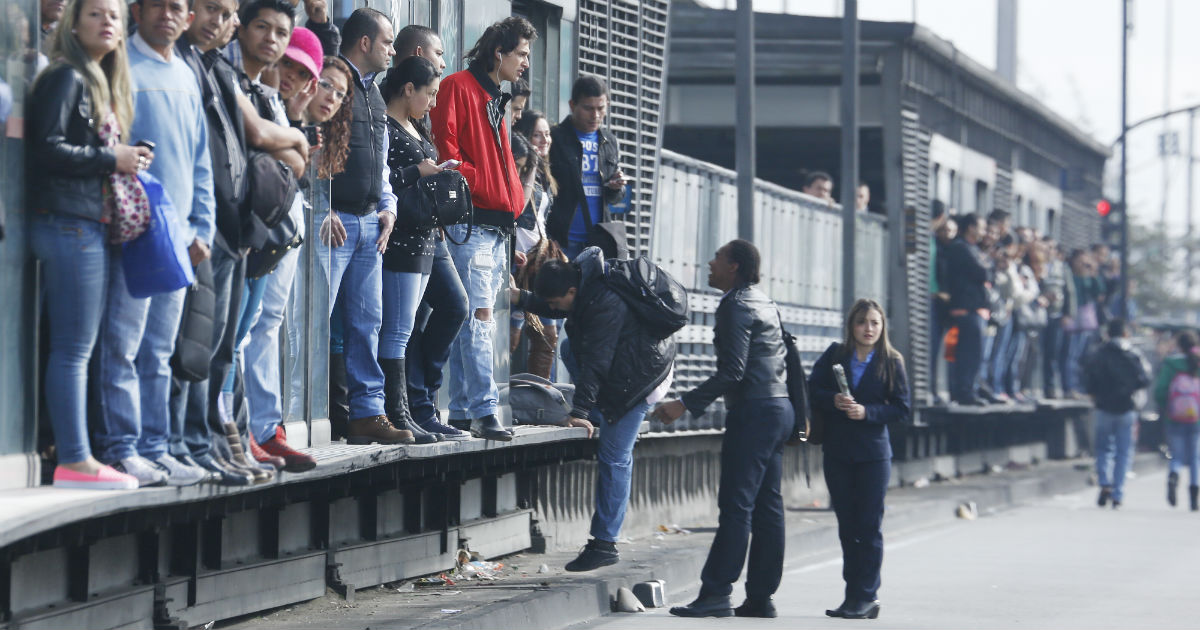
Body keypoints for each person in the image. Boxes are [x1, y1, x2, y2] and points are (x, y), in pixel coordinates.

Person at [27, 0, 148, 489]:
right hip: (70, 222)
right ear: (73, 24)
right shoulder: (67, 76)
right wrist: (110, 158)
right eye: (95, 14)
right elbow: (46, 148)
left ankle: (73, 455)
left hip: (83, 222)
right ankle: (75, 460)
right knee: (74, 349)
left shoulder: (95, 80)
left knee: (75, 348)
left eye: (113, 15)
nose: (107, 22)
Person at [94, 0, 215, 487]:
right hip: (132, 230)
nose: (167, 14)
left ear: (187, 18)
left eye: (177, 6)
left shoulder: (186, 72)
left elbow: (201, 160)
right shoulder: (118, 64)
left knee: (160, 350)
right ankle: (121, 449)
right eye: (158, 5)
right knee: (122, 345)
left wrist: (202, 228)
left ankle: (154, 448)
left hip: (180, 236)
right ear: (137, 11)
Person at [512, 247, 674, 571]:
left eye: (556, 302)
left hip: (639, 379)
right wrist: (521, 298)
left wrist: (580, 413)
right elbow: (559, 308)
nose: (553, 309)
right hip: (626, 363)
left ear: (572, 291)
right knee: (569, 347)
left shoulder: (605, 302)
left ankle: (604, 544)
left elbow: (598, 362)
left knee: (614, 457)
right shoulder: (585, 282)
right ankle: (601, 411)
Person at [654, 240, 792, 619]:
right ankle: (761, 597)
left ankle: (716, 592)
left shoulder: (735, 305)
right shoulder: (764, 300)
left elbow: (733, 371)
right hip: (779, 408)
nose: (710, 263)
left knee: (737, 506)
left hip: (754, 412)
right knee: (768, 506)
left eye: (717, 258)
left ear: (734, 266)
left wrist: (684, 403)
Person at [170, 0, 261, 485]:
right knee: (188, 347)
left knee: (217, 349)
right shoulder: (178, 62)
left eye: (227, 14)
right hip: (197, 232)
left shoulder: (213, 66)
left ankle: (201, 443)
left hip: (227, 231)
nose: (219, 22)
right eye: (211, 8)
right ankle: (183, 443)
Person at [429, 16, 533, 441]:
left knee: (473, 320)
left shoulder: (494, 96)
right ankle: (484, 410)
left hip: (493, 227)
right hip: (472, 224)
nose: (525, 62)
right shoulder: (458, 87)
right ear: (499, 52)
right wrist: (484, 183)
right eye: (521, 54)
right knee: (479, 319)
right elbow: (446, 151)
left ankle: (461, 410)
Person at [317, 8, 408, 444]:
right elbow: (314, 147)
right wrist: (322, 207)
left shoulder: (374, 93)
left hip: (370, 225)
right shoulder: (333, 82)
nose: (393, 50)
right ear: (366, 43)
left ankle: (368, 414)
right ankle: (301, 413)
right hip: (332, 226)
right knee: (316, 321)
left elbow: (382, 164)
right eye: (388, 42)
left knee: (366, 324)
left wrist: (388, 207)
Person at [808, 298, 910, 620]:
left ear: (883, 327)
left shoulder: (891, 361)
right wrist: (834, 400)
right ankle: (852, 595)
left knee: (868, 526)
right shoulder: (836, 355)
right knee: (847, 526)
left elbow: (902, 408)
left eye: (875, 323)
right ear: (851, 325)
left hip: (873, 455)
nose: (869, 329)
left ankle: (867, 596)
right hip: (838, 451)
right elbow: (812, 389)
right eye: (862, 322)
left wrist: (868, 412)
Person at [377, 55, 448, 444]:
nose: (433, 103)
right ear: (408, 89)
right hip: (400, 239)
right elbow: (379, 177)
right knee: (397, 329)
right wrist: (416, 172)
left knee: (406, 328)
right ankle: (397, 413)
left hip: (423, 238)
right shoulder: (385, 125)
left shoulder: (416, 125)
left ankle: (405, 411)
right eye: (429, 94)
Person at [546, 74, 627, 259]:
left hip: (598, 242)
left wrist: (616, 187)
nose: (595, 115)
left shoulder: (609, 141)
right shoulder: (554, 138)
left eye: (601, 108)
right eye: (588, 108)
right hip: (561, 240)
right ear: (572, 105)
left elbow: (614, 199)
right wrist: (547, 236)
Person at [1083, 318, 1149, 509]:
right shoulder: (1133, 354)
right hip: (1127, 408)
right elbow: (1145, 379)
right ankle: (1118, 493)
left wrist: (1096, 394)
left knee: (1103, 449)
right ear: (1126, 333)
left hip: (1103, 408)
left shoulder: (1098, 354)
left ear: (1107, 334)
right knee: (1123, 452)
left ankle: (1104, 483)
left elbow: (1088, 379)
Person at [944, 213, 991, 406]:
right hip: (965, 308)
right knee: (967, 352)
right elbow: (982, 272)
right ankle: (964, 391)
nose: (984, 232)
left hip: (974, 309)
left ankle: (971, 388)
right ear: (970, 227)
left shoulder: (973, 249)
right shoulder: (960, 248)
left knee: (976, 352)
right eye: (981, 227)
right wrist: (987, 268)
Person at [1154, 331, 1200, 511]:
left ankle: (1173, 475)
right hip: (1196, 419)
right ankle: (1194, 497)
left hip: (1173, 417)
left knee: (1176, 454)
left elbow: (1160, 391)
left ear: (1178, 345)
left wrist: (1167, 408)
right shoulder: (1197, 362)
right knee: (1195, 457)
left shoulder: (1171, 364)